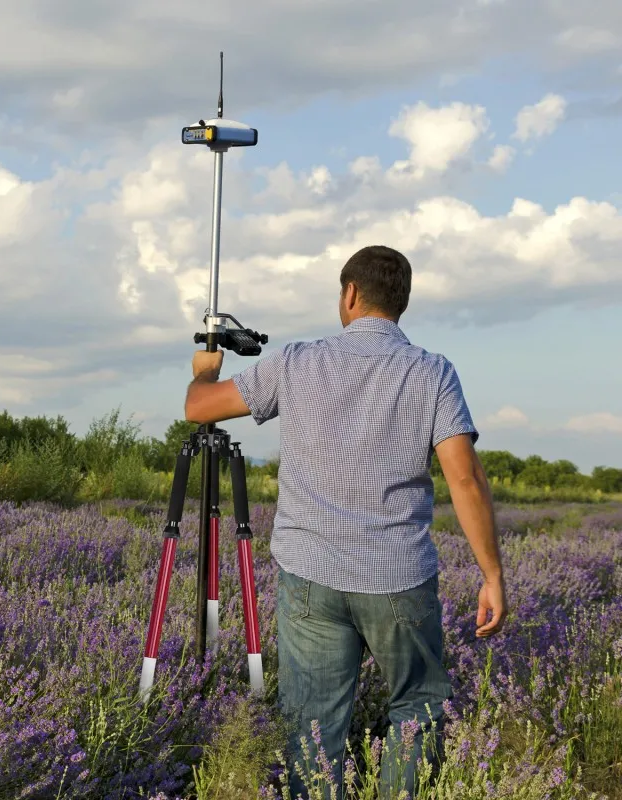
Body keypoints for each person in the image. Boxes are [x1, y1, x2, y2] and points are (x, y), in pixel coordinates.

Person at [184, 245, 507, 799]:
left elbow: (200, 409)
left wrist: (204, 372)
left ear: (350, 294)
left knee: (313, 725)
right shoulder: (433, 372)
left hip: (311, 575)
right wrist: (492, 575)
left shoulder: (297, 361)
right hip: (397, 578)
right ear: (401, 302)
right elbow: (465, 479)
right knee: (414, 708)